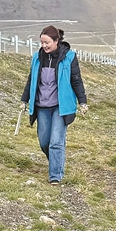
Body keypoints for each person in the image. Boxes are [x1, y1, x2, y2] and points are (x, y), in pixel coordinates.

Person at [20, 25, 88, 185]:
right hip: (42, 105)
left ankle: (55, 175)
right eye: (42, 42)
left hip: (60, 106)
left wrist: (83, 101)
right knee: (44, 141)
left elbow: (76, 81)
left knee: (56, 141)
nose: (44, 46)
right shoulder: (37, 58)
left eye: (47, 42)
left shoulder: (69, 57)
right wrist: (24, 100)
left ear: (57, 41)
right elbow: (31, 80)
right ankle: (56, 162)